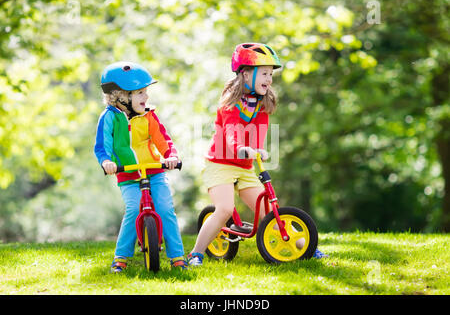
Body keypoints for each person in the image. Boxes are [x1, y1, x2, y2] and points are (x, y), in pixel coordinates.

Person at [187, 43, 327, 266]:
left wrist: (256, 149)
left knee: (270, 212)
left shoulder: (262, 103)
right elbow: (232, 131)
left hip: (244, 167)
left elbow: (259, 132)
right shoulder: (229, 104)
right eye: (264, 73)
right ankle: (196, 254)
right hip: (220, 163)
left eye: (271, 74)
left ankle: (305, 248)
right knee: (223, 209)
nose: (269, 79)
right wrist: (241, 148)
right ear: (245, 74)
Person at [94, 61, 187, 272]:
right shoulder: (109, 118)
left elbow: (163, 140)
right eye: (140, 93)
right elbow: (102, 147)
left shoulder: (149, 116)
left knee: (165, 209)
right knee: (133, 208)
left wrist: (170, 155)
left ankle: (178, 257)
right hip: (127, 174)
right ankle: (121, 258)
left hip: (154, 170)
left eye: (146, 92)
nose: (146, 97)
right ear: (121, 96)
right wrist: (107, 161)